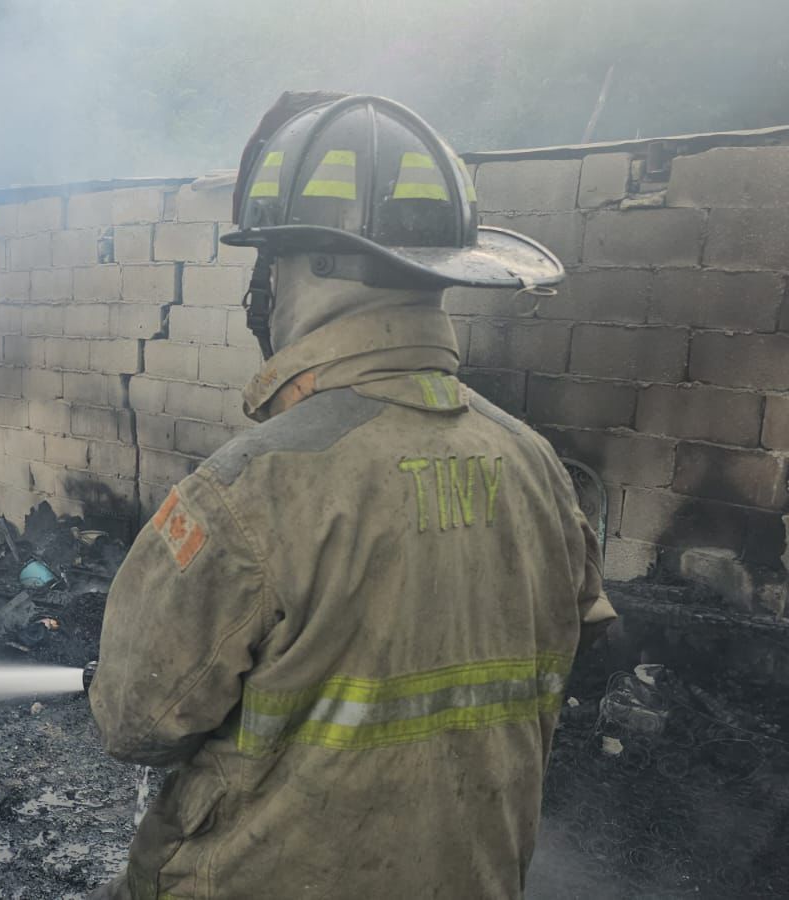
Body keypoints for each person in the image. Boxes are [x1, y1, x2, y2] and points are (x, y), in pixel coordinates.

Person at [86, 93, 616, 899]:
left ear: (307, 270)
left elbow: (134, 722)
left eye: (269, 263)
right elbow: (577, 642)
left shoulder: (247, 488)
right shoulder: (537, 465)